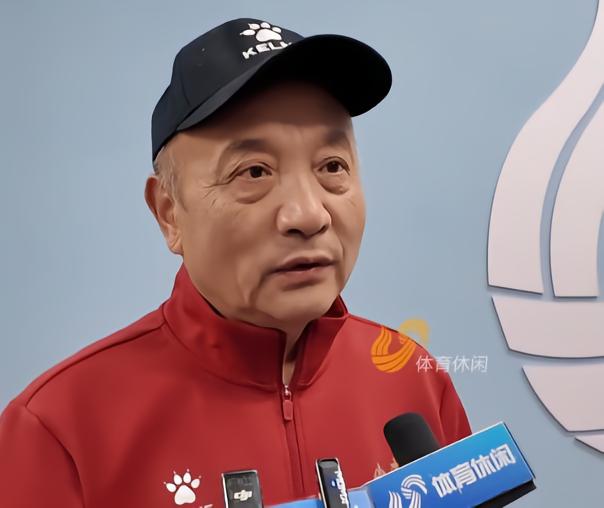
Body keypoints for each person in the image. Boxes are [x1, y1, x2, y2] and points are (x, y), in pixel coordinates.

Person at [0, 18, 471, 508]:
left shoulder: (413, 378)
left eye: (332, 166)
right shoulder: (60, 429)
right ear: (169, 213)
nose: (308, 215)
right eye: (254, 172)